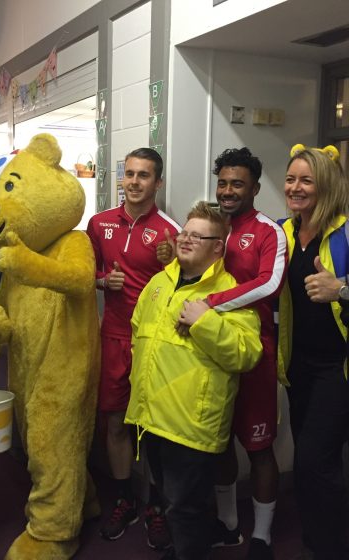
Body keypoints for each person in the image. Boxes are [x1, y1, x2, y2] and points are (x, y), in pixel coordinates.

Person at [125, 201, 262, 560]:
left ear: (219, 246)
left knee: (186, 510)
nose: (186, 240)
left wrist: (205, 322)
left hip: (191, 424)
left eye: (198, 236)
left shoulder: (231, 293)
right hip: (151, 416)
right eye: (185, 232)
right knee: (171, 504)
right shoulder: (159, 281)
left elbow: (247, 353)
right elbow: (138, 330)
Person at [86, 147, 180, 548]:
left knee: (155, 429)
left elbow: (188, 284)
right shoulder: (99, 222)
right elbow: (85, 272)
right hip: (113, 336)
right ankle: (124, 498)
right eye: (129, 174)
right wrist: (101, 281)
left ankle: (157, 506)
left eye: (144, 175)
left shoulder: (169, 231)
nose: (135, 182)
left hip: (153, 343)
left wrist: (173, 259)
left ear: (158, 182)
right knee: (115, 423)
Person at [206, 147, 287, 559]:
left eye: (237, 184)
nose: (227, 190)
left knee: (258, 448)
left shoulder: (271, 231)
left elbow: (268, 284)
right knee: (218, 443)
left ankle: (263, 536)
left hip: (255, 354)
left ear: (254, 188)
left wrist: (213, 302)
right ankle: (229, 525)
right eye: (222, 183)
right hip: (212, 353)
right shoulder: (208, 226)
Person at [277, 144, 349, 559]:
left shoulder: (343, 233)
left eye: (306, 180)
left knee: (314, 461)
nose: (296, 187)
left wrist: (340, 289)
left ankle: (330, 547)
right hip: (298, 365)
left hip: (337, 367)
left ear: (326, 186)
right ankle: (315, 538)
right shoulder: (285, 233)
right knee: (313, 459)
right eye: (291, 179)